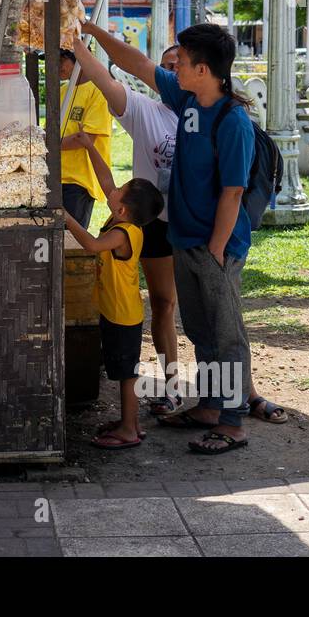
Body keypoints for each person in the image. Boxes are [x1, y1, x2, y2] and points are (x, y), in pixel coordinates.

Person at [76, 26, 289, 428]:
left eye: (184, 63)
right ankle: (210, 406)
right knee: (201, 331)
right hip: (184, 239)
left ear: (203, 70)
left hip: (213, 246)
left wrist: (215, 250)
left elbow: (232, 193)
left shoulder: (232, 121)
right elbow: (135, 64)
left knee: (225, 334)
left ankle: (231, 422)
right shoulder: (187, 99)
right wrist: (83, 33)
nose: (175, 70)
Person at [74, 35, 181, 417]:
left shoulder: (213, 112)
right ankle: (172, 388)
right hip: (152, 227)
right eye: (168, 65)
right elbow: (107, 79)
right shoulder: (146, 110)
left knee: (207, 311)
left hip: (197, 226)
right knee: (164, 306)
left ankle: (236, 392)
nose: (174, 70)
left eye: (181, 63)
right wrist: (80, 41)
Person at [64, 155, 164, 450]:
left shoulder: (121, 233)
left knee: (126, 375)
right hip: (116, 310)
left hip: (123, 316)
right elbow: (106, 180)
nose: (113, 189)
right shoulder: (122, 218)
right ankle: (129, 423)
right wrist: (89, 147)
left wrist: (68, 219)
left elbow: (92, 246)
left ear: (121, 209)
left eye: (120, 189)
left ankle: (129, 429)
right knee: (122, 371)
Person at [57, 48, 111, 228]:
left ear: (80, 59)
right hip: (57, 177)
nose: (56, 65)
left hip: (80, 182)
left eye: (62, 59)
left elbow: (85, 138)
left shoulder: (98, 92)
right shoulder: (63, 91)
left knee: (71, 242)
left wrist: (49, 144)